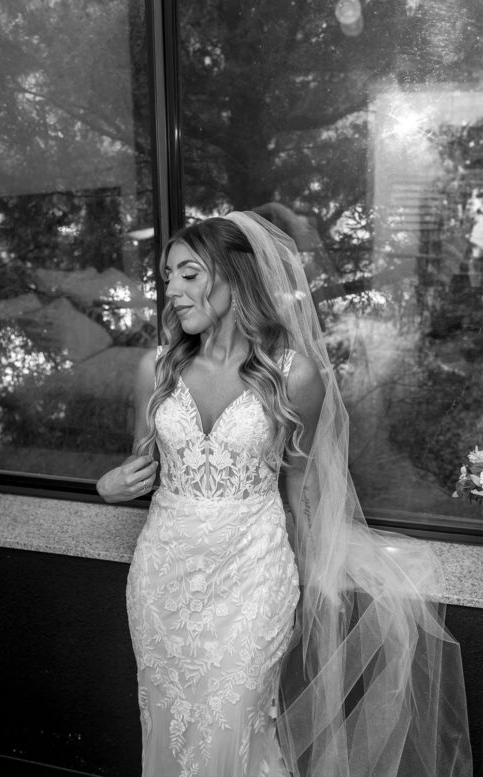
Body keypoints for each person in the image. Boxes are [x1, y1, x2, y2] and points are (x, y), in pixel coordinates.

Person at [97, 212, 469, 777]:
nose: (171, 289)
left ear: (233, 276)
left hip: (254, 579)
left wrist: (310, 581)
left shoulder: (294, 376)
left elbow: (301, 490)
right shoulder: (158, 369)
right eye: (168, 275)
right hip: (162, 582)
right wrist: (107, 486)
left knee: (236, 722)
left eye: (189, 274)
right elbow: (137, 465)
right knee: (172, 721)